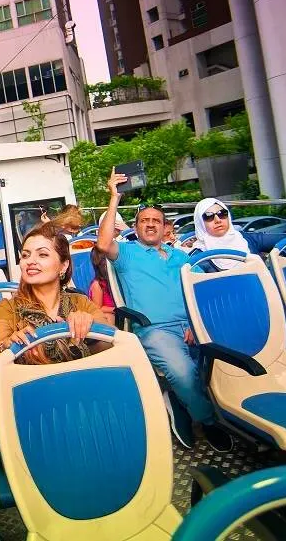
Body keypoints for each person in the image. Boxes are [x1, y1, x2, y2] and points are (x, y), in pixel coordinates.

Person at [97, 169, 233, 453]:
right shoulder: (127, 253)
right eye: (144, 220)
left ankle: (180, 401)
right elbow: (102, 243)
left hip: (190, 326)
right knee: (184, 374)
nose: (150, 225)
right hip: (154, 329)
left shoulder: (182, 257)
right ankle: (208, 421)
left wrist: (195, 324)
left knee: (226, 361)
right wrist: (113, 198)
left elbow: (198, 293)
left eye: (155, 221)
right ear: (135, 228)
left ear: (165, 227)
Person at [0, 222, 112, 364]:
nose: (30, 261)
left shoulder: (80, 302)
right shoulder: (8, 308)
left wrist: (90, 329)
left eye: (42, 254)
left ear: (64, 265)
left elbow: (112, 343)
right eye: (25, 255)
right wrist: (9, 345)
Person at [186, 197, 250, 270]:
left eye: (222, 213)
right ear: (200, 223)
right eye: (208, 216)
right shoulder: (196, 258)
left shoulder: (245, 238)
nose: (218, 220)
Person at [88, 247, 116, 320]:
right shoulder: (97, 285)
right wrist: (115, 310)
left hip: (117, 313)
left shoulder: (112, 280)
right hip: (106, 315)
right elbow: (98, 308)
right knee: (108, 316)